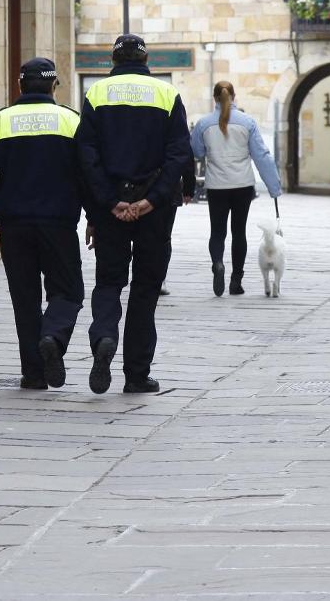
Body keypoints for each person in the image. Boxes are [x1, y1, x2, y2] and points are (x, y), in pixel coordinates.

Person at [77, 33, 192, 394]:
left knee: (109, 282)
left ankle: (104, 337)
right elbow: (179, 153)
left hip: (110, 207)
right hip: (155, 211)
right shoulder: (166, 95)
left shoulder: (96, 94)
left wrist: (108, 202)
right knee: (146, 289)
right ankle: (137, 374)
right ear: (146, 61)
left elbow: (86, 155)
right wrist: (152, 200)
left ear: (113, 60)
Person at [0, 57, 84, 390]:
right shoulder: (71, 121)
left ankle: (34, 374)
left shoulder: (2, 122)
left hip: (14, 227)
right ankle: (53, 336)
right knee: (69, 291)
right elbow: (87, 175)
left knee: (25, 299)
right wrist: (95, 219)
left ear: (20, 85)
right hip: (59, 224)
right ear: (53, 86)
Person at [190, 80, 283, 296]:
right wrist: (274, 187)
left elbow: (196, 151)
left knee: (217, 231)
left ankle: (217, 263)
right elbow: (262, 156)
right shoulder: (247, 122)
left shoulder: (204, 124)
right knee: (238, 232)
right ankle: (236, 281)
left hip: (216, 185)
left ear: (215, 98)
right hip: (242, 184)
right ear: (234, 97)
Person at [158, 157, 197, 296]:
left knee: (140, 236)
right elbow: (184, 153)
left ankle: (142, 274)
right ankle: (160, 277)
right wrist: (188, 187)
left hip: (137, 187)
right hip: (169, 188)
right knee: (164, 237)